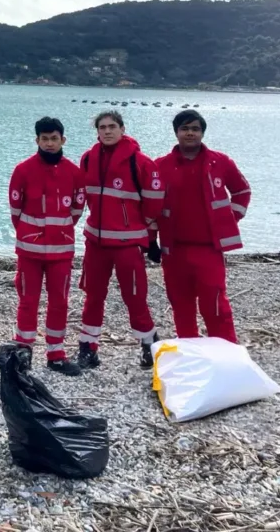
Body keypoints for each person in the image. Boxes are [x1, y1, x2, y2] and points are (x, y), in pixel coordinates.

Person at [77, 111, 165, 370]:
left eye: (112, 126)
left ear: (122, 129)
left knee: (135, 297)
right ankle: (88, 348)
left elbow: (154, 205)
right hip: (96, 243)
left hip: (128, 245)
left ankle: (149, 344)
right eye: (102, 127)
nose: (107, 131)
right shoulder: (87, 159)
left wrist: (151, 240)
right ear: (97, 132)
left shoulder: (141, 163)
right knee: (93, 296)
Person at [155, 110, 251, 343]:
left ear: (202, 133)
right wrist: (150, 242)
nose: (190, 133)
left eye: (195, 129)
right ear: (176, 133)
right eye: (185, 129)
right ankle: (190, 354)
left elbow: (242, 192)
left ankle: (227, 354)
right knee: (181, 304)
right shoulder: (160, 166)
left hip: (209, 249)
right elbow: (150, 207)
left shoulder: (221, 162)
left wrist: (229, 220)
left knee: (215, 304)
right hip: (174, 250)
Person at [9, 117, 86, 376]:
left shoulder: (75, 172)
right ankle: (24, 351)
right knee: (27, 300)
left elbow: (77, 209)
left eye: (54, 138)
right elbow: (15, 211)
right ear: (37, 141)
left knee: (59, 302)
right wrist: (31, 234)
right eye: (45, 139)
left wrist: (60, 231)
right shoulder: (22, 170)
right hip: (29, 251)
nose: (50, 143)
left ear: (63, 139)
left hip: (61, 251)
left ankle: (56, 354)